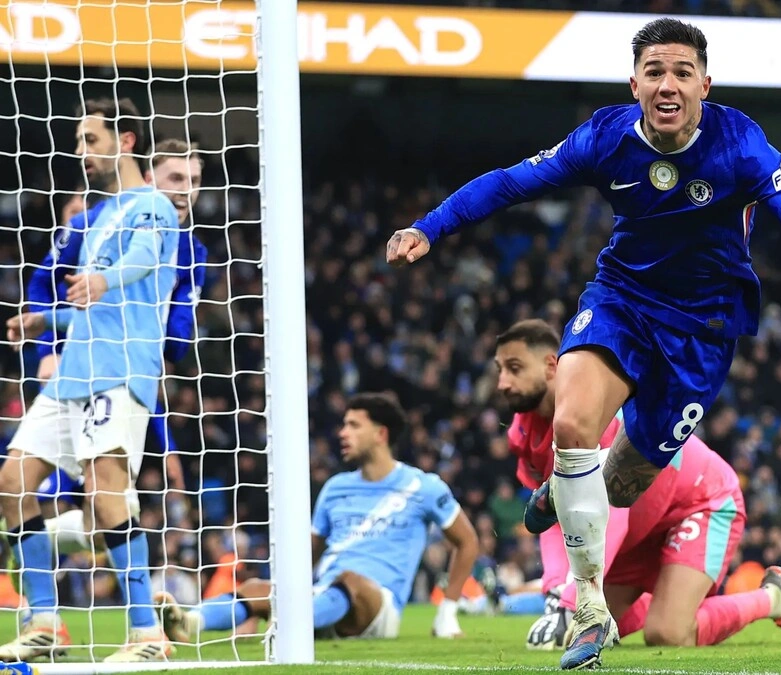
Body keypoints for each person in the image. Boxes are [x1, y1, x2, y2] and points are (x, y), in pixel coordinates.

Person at [387, 18, 781, 669]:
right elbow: (510, 182)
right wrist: (430, 227)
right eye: (654, 72)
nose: (667, 84)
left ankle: (567, 487)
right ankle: (589, 610)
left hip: (702, 330)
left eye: (681, 72)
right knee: (572, 423)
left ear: (705, 84)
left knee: (619, 487)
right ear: (635, 84)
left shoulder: (741, 147)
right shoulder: (605, 137)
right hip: (622, 300)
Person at [494, 319, 781, 652]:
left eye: (514, 368)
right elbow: (553, 514)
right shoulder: (522, 432)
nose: (502, 382)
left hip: (701, 501)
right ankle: (666, 600)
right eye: (500, 370)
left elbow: (612, 509)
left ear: (552, 366)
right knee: (588, 627)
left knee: (666, 632)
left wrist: (570, 601)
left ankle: (775, 598)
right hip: (642, 528)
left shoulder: (592, 412)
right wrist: (555, 592)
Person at [2, 98, 180, 662]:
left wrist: (104, 279)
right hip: (73, 371)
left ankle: (148, 634)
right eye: (79, 141)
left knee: (106, 492)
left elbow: (143, 259)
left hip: (120, 367)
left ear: (125, 141)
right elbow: (88, 307)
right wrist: (44, 320)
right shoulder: (99, 217)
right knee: (12, 481)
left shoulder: (153, 205)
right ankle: (44, 623)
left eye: (90, 140)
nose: (82, 152)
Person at [155, 392, 480, 642]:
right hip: (323, 599)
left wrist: (447, 612)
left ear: (381, 434)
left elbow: (467, 541)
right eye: (344, 424)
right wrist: (268, 599)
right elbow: (309, 554)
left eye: (354, 425)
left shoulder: (422, 486)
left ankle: (292, 625)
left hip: (377, 606)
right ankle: (191, 621)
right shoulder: (336, 487)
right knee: (258, 587)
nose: (343, 433)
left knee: (350, 579)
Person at [26, 138, 208, 557]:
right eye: (175, 178)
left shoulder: (192, 251)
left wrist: (166, 327)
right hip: (69, 367)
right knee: (46, 491)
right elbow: (41, 283)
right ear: (148, 179)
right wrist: (47, 350)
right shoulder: (94, 222)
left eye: (194, 181)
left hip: (127, 373)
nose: (185, 190)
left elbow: (175, 337)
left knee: (104, 516)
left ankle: (34, 544)